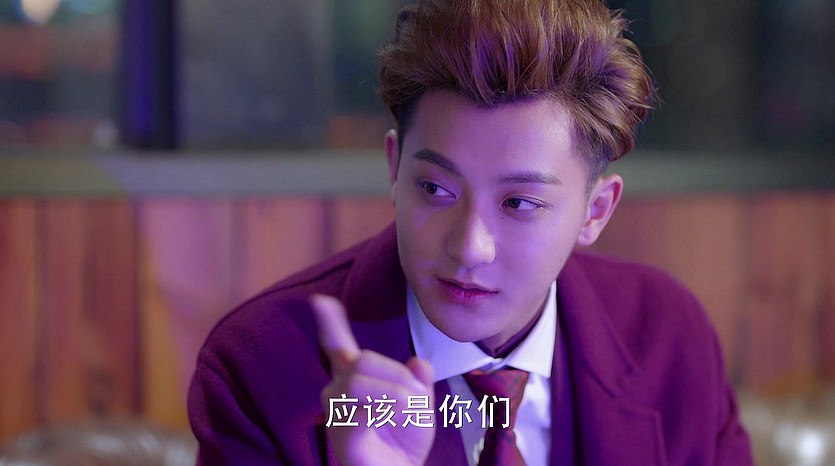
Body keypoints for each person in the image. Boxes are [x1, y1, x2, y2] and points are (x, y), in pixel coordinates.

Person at [188, 0, 754, 464]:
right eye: (436, 189)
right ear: (395, 169)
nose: (468, 248)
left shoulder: (668, 339)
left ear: (595, 212)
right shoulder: (261, 367)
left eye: (520, 203)